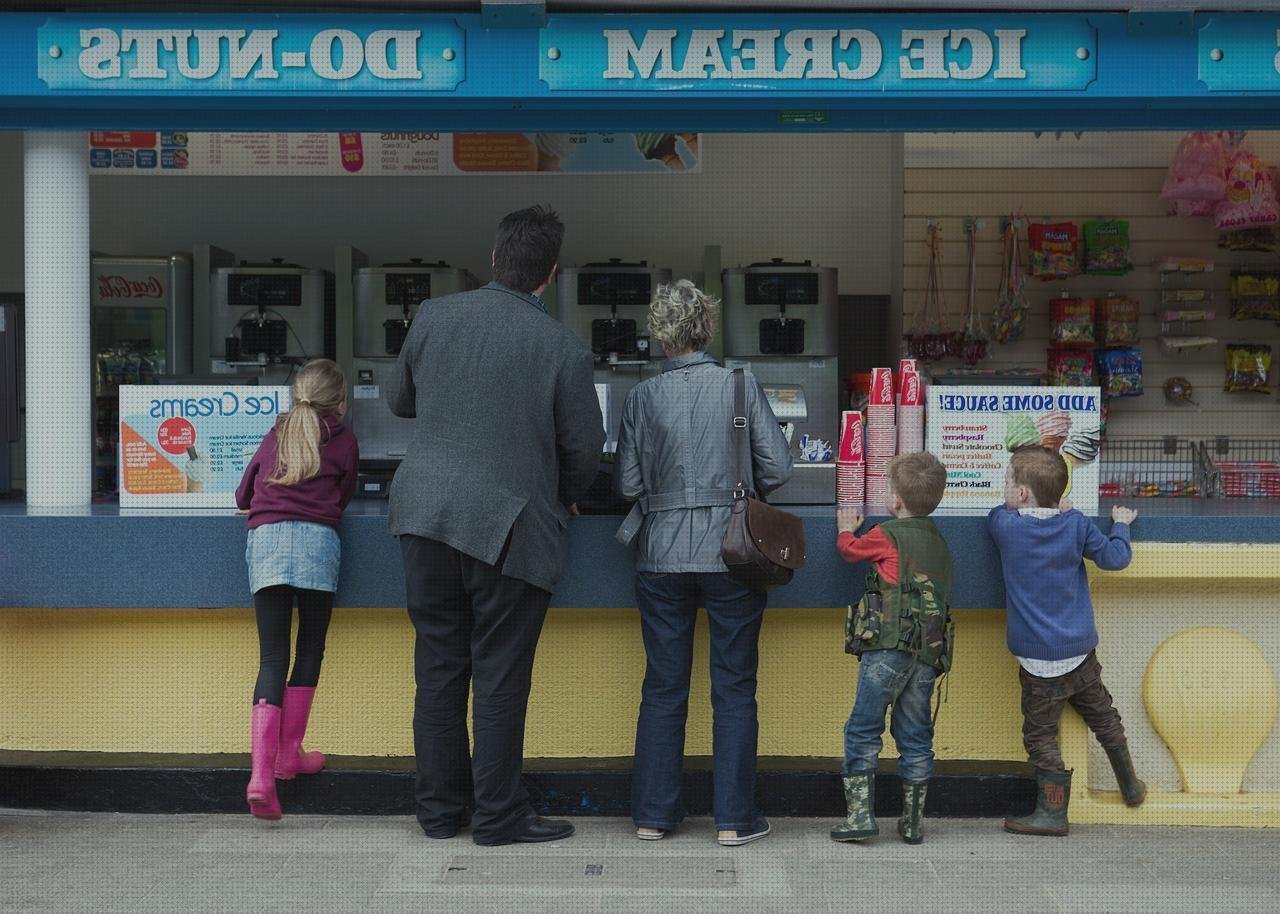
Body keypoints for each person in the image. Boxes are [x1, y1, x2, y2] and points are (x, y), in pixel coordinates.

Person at [387, 205, 604, 846]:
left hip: (423, 517)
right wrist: (563, 495)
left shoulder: (433, 316)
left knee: (439, 671)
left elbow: (400, 400)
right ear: (551, 273)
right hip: (508, 526)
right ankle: (500, 817)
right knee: (500, 677)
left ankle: (438, 812)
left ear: (493, 258)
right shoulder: (563, 347)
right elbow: (585, 452)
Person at [614, 279, 792, 847]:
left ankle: (652, 816)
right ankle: (735, 820)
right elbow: (780, 469)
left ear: (659, 335)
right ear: (706, 328)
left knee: (663, 686)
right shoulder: (740, 384)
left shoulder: (641, 397)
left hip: (660, 556)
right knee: (734, 686)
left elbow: (628, 484)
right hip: (732, 554)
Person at [987, 446, 1146, 837]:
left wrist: (1051, 510)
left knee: (1041, 735)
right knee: (1104, 717)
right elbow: (1114, 559)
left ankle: (1053, 812)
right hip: (1080, 654)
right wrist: (1121, 525)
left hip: (1037, 665)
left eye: (1008, 481)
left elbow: (996, 513)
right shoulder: (1075, 525)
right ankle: (1130, 785)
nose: (1004, 488)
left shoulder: (1007, 528)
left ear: (1022, 494)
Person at [234, 358, 359, 821]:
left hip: (266, 541)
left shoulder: (278, 432)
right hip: (316, 544)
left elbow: (244, 494)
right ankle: (289, 754)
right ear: (340, 403)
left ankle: (261, 777)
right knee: (309, 650)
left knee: (271, 658)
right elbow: (344, 495)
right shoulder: (343, 439)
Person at [832, 452, 954, 845]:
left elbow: (851, 552)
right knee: (916, 734)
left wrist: (845, 530)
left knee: (863, 730)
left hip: (886, 651)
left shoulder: (887, 534)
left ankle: (859, 818)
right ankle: (913, 822)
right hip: (927, 655)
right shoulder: (940, 542)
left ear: (895, 502)